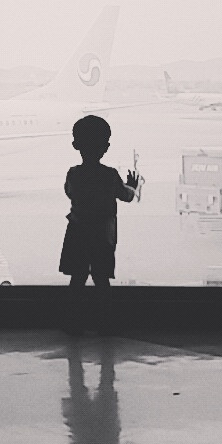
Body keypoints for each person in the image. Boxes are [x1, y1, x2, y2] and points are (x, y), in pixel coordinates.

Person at [59, 115, 139, 332]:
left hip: (77, 231)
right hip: (102, 235)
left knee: (77, 278)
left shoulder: (73, 173)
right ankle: (105, 323)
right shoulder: (110, 175)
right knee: (102, 279)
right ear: (106, 147)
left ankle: (73, 323)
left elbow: (70, 193)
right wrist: (132, 187)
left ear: (75, 145)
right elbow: (126, 196)